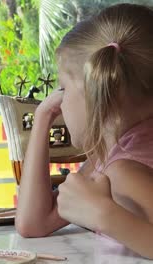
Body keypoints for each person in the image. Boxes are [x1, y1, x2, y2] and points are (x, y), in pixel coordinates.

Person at [15, 3, 153, 259]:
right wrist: (42, 117)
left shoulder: (126, 171)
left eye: (63, 89)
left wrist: (102, 213)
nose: (58, 101)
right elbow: (34, 223)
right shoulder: (116, 154)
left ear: (97, 90)